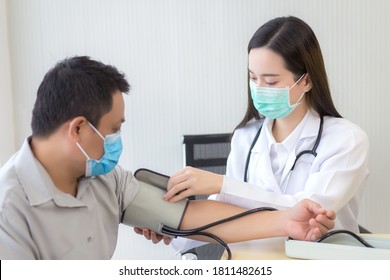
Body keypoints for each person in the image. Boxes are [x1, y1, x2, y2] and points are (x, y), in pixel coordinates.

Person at [0, 56, 335, 260]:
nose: (117, 141)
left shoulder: (105, 178)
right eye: (113, 129)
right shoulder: (9, 211)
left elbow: (189, 216)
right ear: (77, 130)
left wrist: (286, 220)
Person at [164, 15, 368, 238]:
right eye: (253, 78)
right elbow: (221, 214)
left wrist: (222, 184)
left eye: (271, 81)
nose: (259, 89)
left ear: (307, 81)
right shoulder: (245, 137)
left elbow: (306, 214)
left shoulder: (346, 139)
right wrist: (170, 227)